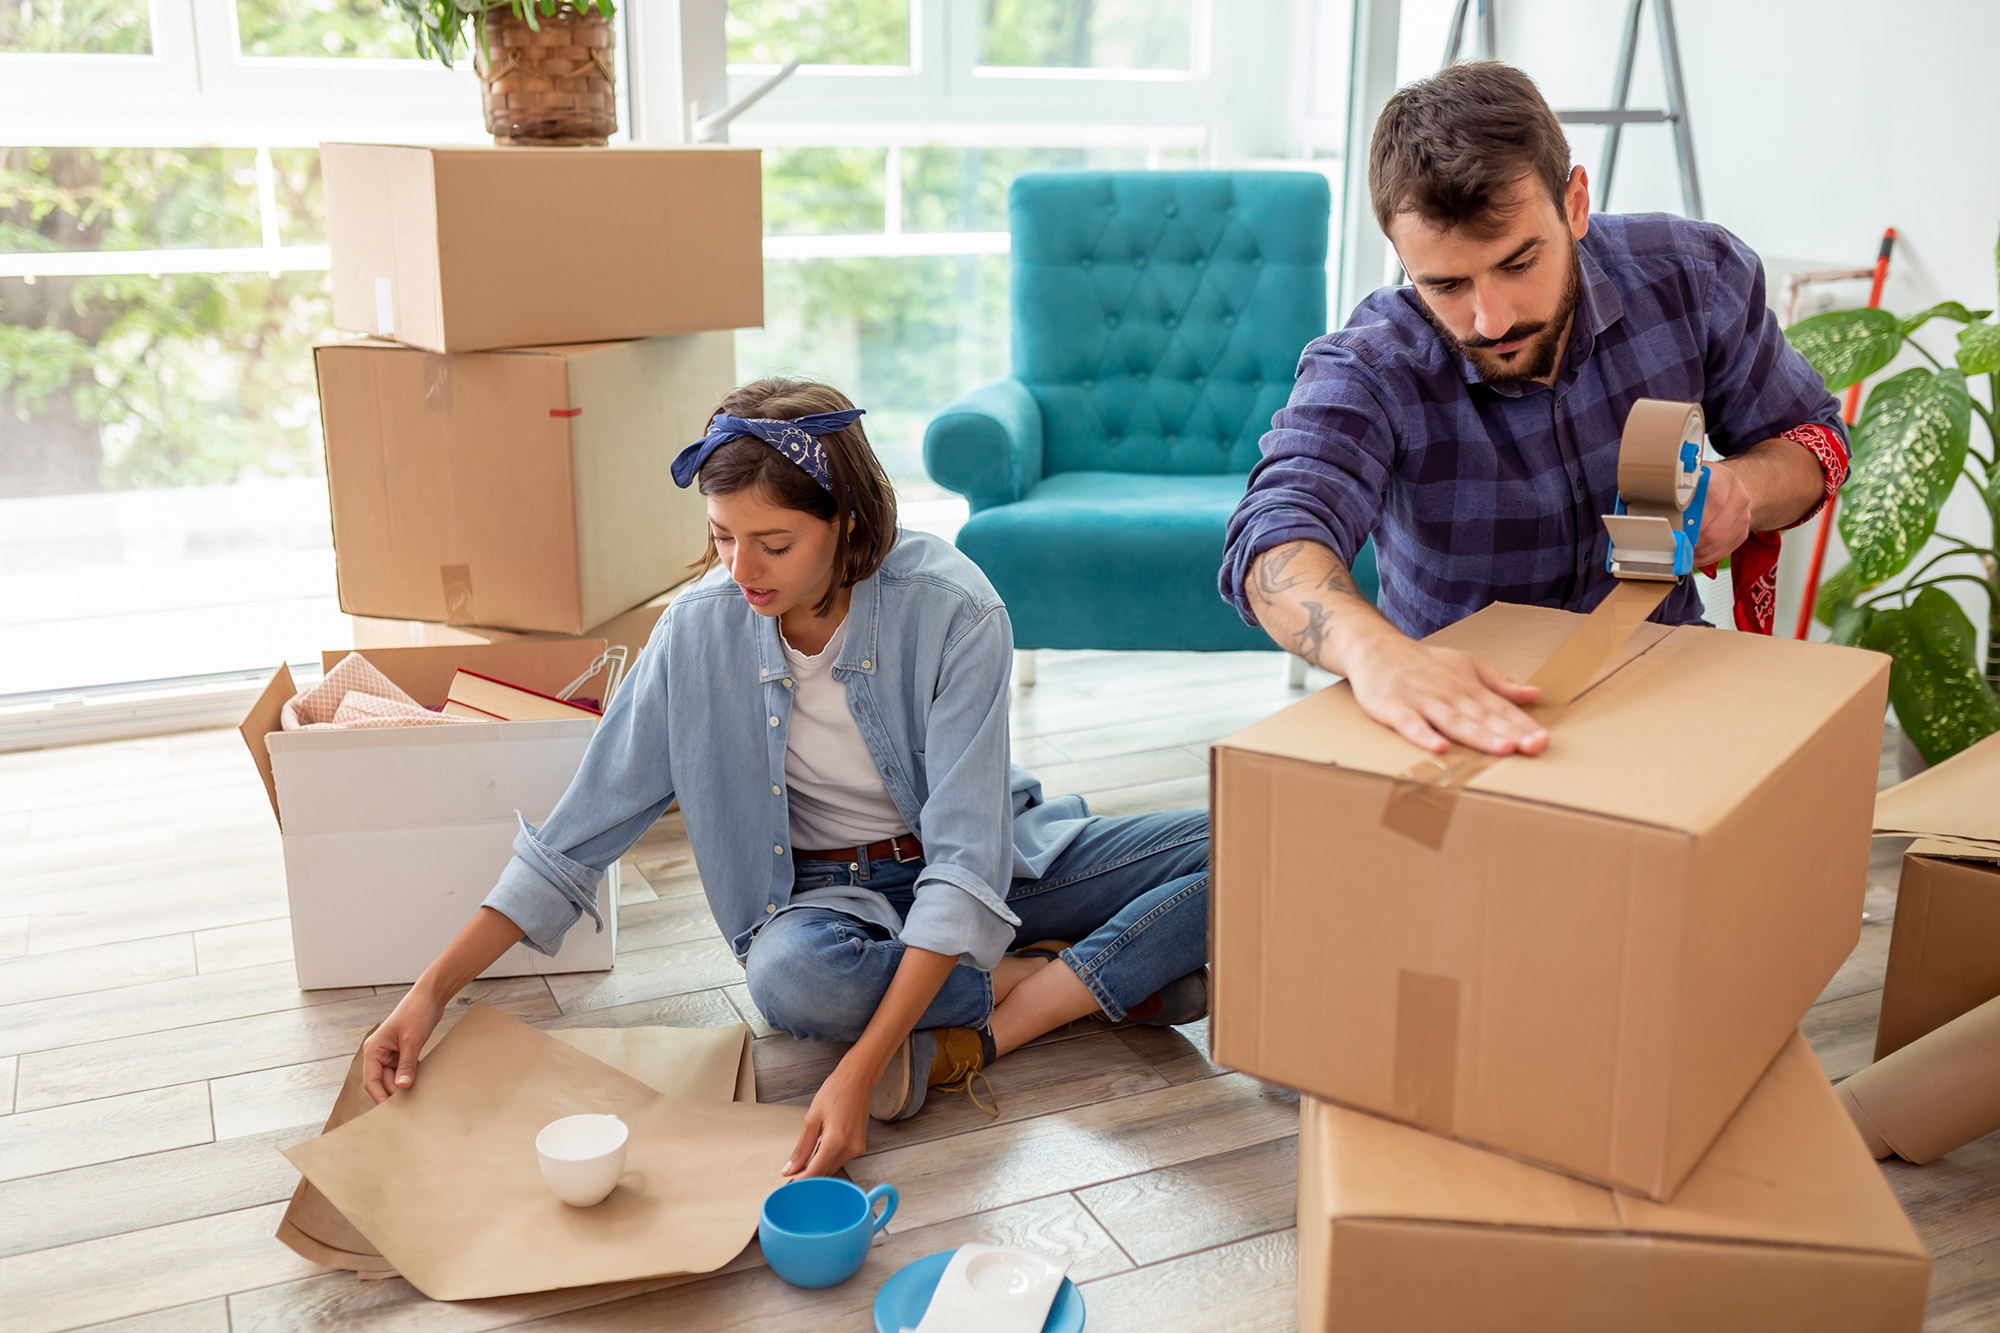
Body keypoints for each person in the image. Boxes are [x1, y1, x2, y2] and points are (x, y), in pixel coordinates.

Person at [360, 377, 1211, 1180]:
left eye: (773, 543)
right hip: (827, 898)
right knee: (793, 981)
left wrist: (858, 1072)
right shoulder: (697, 631)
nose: (741, 569)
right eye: (722, 536)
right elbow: (577, 833)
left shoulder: (955, 608)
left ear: (845, 519)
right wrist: (428, 991)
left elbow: (964, 864)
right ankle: (1060, 978)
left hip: (1000, 859)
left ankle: (1006, 1017)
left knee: (1250, 845)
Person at [1221, 61, 1848, 757]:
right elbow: (1275, 532)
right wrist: (1377, 654)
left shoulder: (1693, 276)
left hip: (1670, 683)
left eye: (1519, 264)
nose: (1490, 319)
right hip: (1467, 719)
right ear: (1401, 257)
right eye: (1447, 283)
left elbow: (1814, 436)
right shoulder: (1373, 362)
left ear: (1575, 203)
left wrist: (1746, 492)